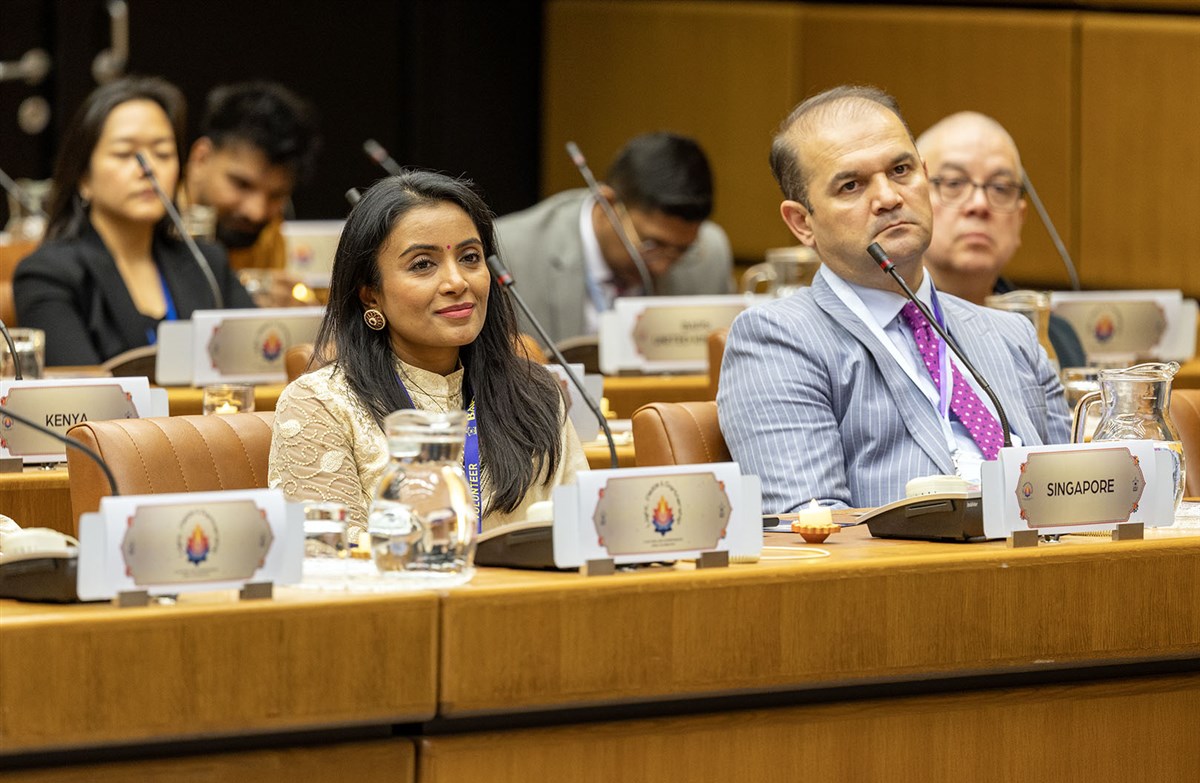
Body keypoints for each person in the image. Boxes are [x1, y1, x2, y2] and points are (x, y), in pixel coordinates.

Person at [717, 86, 1071, 513]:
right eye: (851, 185)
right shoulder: (778, 341)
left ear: (925, 176)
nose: (889, 198)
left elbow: (1075, 503)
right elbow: (813, 526)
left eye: (901, 170)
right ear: (802, 223)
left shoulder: (1012, 336)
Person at [269, 171, 588, 540]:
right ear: (370, 294)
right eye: (423, 264)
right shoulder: (321, 405)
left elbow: (586, 536)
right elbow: (325, 558)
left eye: (470, 257)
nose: (457, 282)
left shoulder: (534, 395)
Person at [14, 76, 253, 367]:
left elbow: (258, 364)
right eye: (125, 154)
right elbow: (83, 388)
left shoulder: (208, 263)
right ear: (84, 177)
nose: (147, 169)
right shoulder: (48, 274)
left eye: (163, 153)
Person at [495, 132, 734, 343]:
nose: (661, 267)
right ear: (608, 204)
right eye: (652, 244)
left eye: (682, 250)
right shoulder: (510, 252)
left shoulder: (710, 254)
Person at [916, 111, 1086, 368]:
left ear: (1020, 218)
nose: (979, 204)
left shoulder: (1056, 339)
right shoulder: (888, 331)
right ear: (915, 200)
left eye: (1000, 187)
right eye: (954, 183)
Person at [184, 82, 320, 271]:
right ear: (201, 158)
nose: (256, 212)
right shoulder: (150, 221)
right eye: (242, 184)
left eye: (276, 196)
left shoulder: (269, 233)